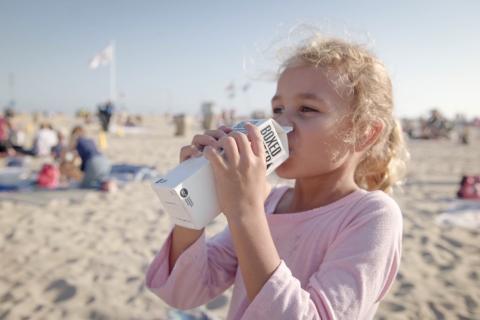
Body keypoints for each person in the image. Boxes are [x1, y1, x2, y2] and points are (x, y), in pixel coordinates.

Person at [146, 35, 408, 319]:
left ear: (364, 133)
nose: (281, 124)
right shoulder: (270, 203)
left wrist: (245, 212)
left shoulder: (372, 215)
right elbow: (185, 293)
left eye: (307, 109)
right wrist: (195, 203)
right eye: (278, 109)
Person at [69, 126, 114, 190]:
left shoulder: (78, 141)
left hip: (94, 162)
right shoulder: (90, 140)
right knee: (99, 181)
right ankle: (109, 185)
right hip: (104, 161)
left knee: (84, 185)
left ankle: (108, 186)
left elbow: (75, 159)